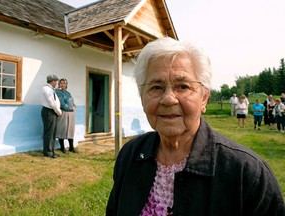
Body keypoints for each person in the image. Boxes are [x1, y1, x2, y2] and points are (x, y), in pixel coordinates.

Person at [106, 37, 285, 215]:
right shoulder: (130, 155)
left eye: (183, 86)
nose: (169, 98)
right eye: (156, 87)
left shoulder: (247, 173)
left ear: (204, 98)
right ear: (142, 97)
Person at [40, 74, 62, 158]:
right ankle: (48, 152)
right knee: (49, 132)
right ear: (52, 81)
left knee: (52, 133)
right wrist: (58, 111)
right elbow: (51, 102)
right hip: (49, 112)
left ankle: (52, 151)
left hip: (52, 112)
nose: (56, 83)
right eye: (56, 81)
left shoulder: (50, 89)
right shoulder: (47, 89)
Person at [55, 78, 76, 153]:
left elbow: (72, 101)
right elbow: (62, 103)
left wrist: (74, 106)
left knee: (70, 130)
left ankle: (71, 147)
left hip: (71, 113)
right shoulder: (58, 92)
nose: (63, 84)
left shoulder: (68, 93)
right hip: (64, 112)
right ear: (59, 84)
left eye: (65, 83)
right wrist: (71, 108)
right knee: (62, 130)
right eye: (62, 83)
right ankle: (62, 147)